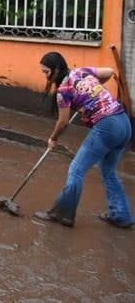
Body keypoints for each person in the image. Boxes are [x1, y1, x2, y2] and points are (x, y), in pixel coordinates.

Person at [34, 52, 133, 229]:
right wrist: (91, 94)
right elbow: (109, 72)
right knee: (108, 172)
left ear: (56, 70)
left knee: (76, 170)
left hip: (107, 126)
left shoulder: (63, 90)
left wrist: (53, 138)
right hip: (124, 123)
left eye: (46, 72)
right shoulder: (82, 72)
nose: (45, 75)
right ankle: (121, 216)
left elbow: (63, 121)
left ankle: (62, 214)